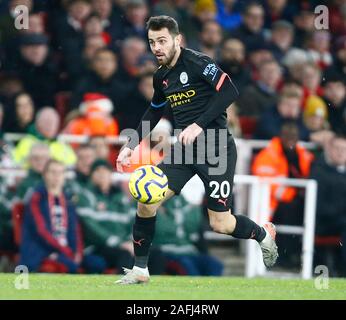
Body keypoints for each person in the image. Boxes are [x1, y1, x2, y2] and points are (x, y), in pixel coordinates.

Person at [116, 15, 278, 284]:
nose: (157, 47)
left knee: (221, 224)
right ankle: (140, 270)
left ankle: (262, 234)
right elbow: (154, 111)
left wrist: (198, 125)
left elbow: (230, 91)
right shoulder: (161, 76)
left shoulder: (198, 62)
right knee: (147, 202)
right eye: (152, 42)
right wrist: (130, 145)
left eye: (162, 41)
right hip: (184, 150)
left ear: (177, 40)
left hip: (216, 149)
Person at [20, 159, 105, 273]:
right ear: (45, 175)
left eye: (60, 173)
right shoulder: (37, 198)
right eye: (53, 172)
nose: (57, 176)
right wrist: (66, 251)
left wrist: (77, 253)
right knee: (70, 266)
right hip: (43, 250)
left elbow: (76, 230)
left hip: (67, 250)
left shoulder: (69, 200)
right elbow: (41, 231)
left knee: (97, 264)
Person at [252, 122, 314, 267]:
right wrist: (296, 193)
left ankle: (299, 255)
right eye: (288, 136)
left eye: (294, 136)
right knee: (290, 211)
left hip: (296, 201)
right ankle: (285, 257)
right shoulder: (269, 154)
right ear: (281, 136)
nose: (291, 139)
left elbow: (311, 172)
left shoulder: (301, 153)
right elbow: (269, 184)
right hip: (272, 203)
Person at [310, 135, 346, 276]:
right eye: (337, 148)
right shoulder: (318, 172)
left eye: (344, 149)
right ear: (329, 150)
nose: (340, 152)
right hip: (325, 223)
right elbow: (318, 207)